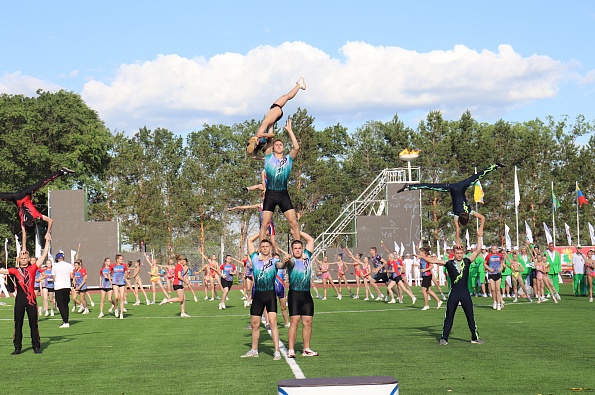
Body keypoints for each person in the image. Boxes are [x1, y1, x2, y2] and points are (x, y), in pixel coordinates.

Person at [397, 164, 502, 245]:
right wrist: (458, 241)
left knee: (478, 176)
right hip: (452, 187)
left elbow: (482, 218)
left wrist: (481, 228)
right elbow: (457, 229)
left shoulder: (469, 211)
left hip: (461, 186)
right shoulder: (456, 214)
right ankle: (409, 187)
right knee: (430, 186)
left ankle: (495, 166)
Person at [421, 227, 485, 346]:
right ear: (454, 254)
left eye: (461, 253)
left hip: (465, 293)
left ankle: (474, 337)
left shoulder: (467, 261)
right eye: (457, 253)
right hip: (454, 293)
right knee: (449, 315)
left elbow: (477, 251)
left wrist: (479, 237)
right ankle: (444, 338)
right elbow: (433, 261)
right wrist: (422, 256)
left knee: (470, 316)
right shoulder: (448, 263)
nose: (459, 255)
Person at [0, 168, 75, 247]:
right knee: (43, 181)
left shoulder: (36, 216)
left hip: (25, 194)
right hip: (16, 198)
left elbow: (50, 220)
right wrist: (24, 248)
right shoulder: (23, 222)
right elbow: (24, 235)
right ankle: (62, 172)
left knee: (43, 181)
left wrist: (48, 232)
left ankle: (62, 172)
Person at [0, 239, 50, 354]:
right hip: (20, 301)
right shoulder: (15, 270)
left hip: (31, 300)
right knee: (18, 324)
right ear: (19, 259)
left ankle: (36, 346)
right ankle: (17, 347)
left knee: (34, 323)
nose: (23, 260)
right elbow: (3, 271)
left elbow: (43, 255)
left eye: (25, 258)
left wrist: (47, 242)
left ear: (28, 259)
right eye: (21, 258)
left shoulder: (33, 268)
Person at [276, 231, 319, 358]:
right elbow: (283, 265)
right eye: (295, 248)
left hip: (307, 295)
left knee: (308, 322)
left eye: (299, 248)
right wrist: (285, 261)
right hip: (295, 294)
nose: (298, 250)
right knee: (294, 321)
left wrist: (297, 231)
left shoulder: (307, 256)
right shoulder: (292, 261)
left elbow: (310, 240)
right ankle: (291, 350)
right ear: (292, 250)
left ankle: (306, 349)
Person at [259, 118, 301, 243]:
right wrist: (270, 124)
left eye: (281, 144)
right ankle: (262, 251)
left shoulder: (288, 159)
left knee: (293, 222)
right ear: (273, 148)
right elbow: (270, 139)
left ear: (283, 148)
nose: (278, 145)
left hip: (283, 194)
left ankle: (298, 250)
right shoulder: (268, 157)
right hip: (271, 193)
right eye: (276, 144)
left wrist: (290, 130)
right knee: (265, 224)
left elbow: (297, 148)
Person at [241, 233, 281, 360]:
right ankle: (254, 350)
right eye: (262, 246)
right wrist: (262, 230)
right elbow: (249, 240)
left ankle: (277, 351)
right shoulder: (254, 259)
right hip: (258, 295)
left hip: (270, 295)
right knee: (255, 323)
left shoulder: (275, 261)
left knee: (273, 322)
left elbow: (282, 266)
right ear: (260, 248)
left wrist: (286, 262)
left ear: (270, 248)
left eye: (266, 246)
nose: (264, 248)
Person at [246, 77, 306, 155]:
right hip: (275, 112)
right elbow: (272, 135)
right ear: (256, 144)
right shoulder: (263, 140)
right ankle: (299, 85)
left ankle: (299, 85)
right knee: (265, 122)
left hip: (273, 117)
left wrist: (264, 158)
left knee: (286, 97)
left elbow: (254, 156)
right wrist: (262, 135)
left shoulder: (261, 135)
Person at [52, 251, 74, 328]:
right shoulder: (69, 265)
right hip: (67, 286)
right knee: (65, 304)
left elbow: (54, 278)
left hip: (58, 286)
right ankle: (66, 319)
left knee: (60, 305)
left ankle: (65, 321)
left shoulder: (54, 266)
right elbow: (71, 276)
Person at [484, 245, 505, 310]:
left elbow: (501, 263)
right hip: (491, 273)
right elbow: (484, 263)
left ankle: (499, 304)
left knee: (498, 289)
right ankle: (494, 302)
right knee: (493, 289)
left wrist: (501, 268)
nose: (494, 250)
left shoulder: (500, 255)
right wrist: (489, 269)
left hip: (498, 273)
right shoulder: (488, 256)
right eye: (493, 249)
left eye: (496, 249)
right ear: (491, 249)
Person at [110, 254, 129, 319]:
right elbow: (109, 272)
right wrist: (110, 280)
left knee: (122, 297)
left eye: (122, 259)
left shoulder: (124, 266)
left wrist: (125, 276)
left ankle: (121, 313)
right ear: (117, 260)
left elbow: (126, 272)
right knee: (116, 297)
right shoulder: (113, 265)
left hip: (122, 282)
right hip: (115, 282)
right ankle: (116, 307)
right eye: (121, 259)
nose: (122, 260)